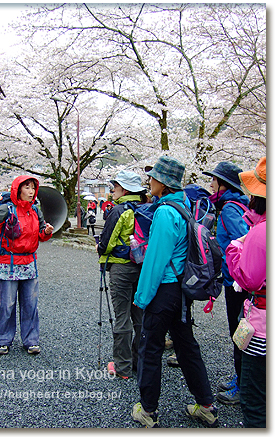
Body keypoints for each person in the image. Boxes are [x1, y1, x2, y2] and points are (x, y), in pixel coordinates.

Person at [132, 156, 218, 428]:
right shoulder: (183, 205)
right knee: (186, 347)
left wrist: (142, 298)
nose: (149, 181)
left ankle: (148, 411)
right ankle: (206, 406)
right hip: (180, 292)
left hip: (164, 292)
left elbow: (155, 261)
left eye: (153, 177)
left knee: (150, 347)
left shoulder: (165, 212)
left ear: (163, 182)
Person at [0, 176, 54, 355]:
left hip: (29, 263)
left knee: (30, 304)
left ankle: (31, 340)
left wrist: (46, 232)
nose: (31, 192)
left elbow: (40, 235)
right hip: (8, 263)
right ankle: (2, 340)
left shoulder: (35, 211)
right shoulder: (7, 209)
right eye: (27, 188)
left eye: (32, 188)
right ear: (18, 190)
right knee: (7, 304)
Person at [202, 162, 249, 405]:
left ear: (224, 184)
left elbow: (242, 241)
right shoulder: (238, 203)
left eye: (214, 180)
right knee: (241, 331)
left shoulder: (230, 208)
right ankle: (241, 378)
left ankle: (243, 386)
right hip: (240, 281)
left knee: (239, 332)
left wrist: (231, 272)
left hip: (237, 283)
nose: (210, 184)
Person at [225, 156, 266, 428]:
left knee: (255, 401)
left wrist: (235, 249)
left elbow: (249, 279)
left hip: (262, 328)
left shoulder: (261, 232)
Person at [97, 170, 146, 380]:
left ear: (124, 189)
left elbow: (106, 244)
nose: (112, 189)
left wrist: (100, 248)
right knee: (140, 317)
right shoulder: (147, 209)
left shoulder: (120, 210)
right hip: (142, 267)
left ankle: (122, 367)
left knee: (122, 316)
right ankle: (140, 362)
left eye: (115, 186)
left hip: (122, 268)